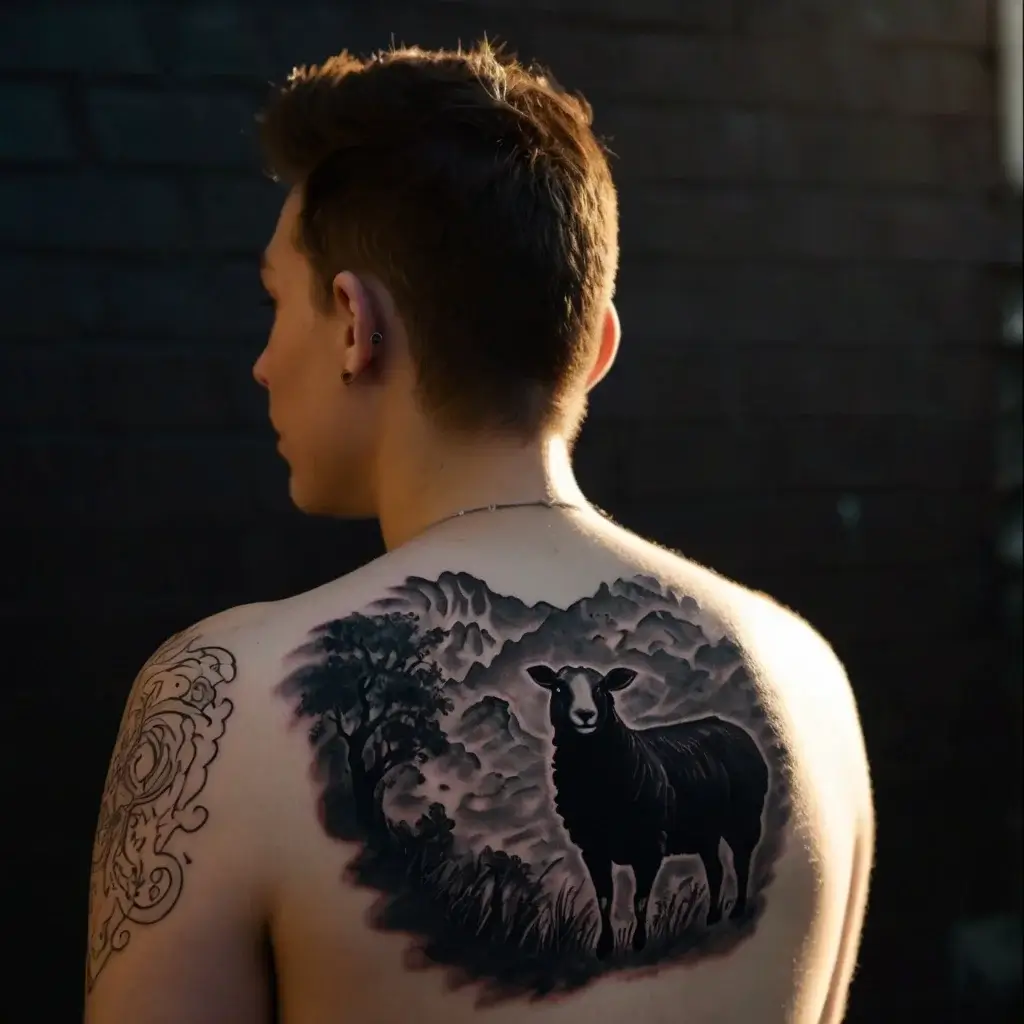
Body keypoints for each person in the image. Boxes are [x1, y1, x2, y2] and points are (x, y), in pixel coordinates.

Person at [84, 42, 874, 1024]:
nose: (257, 363)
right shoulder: (807, 680)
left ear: (351, 325)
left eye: (272, 303)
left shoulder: (220, 701)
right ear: (596, 348)